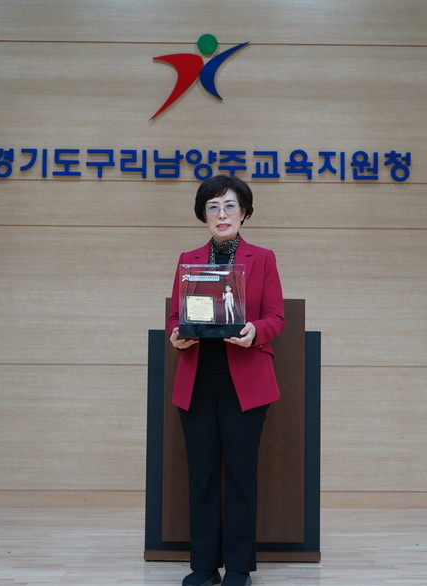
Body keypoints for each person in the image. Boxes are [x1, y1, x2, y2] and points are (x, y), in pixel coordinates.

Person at [167, 175, 285, 586]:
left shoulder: (263, 258)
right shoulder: (188, 259)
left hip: (245, 381)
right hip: (198, 379)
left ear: (244, 212)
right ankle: (203, 566)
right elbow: (175, 317)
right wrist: (176, 335)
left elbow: (276, 317)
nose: (222, 214)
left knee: (239, 475)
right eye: (213, 207)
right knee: (201, 474)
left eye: (230, 205)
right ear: (203, 214)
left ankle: (237, 568)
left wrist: (255, 331)